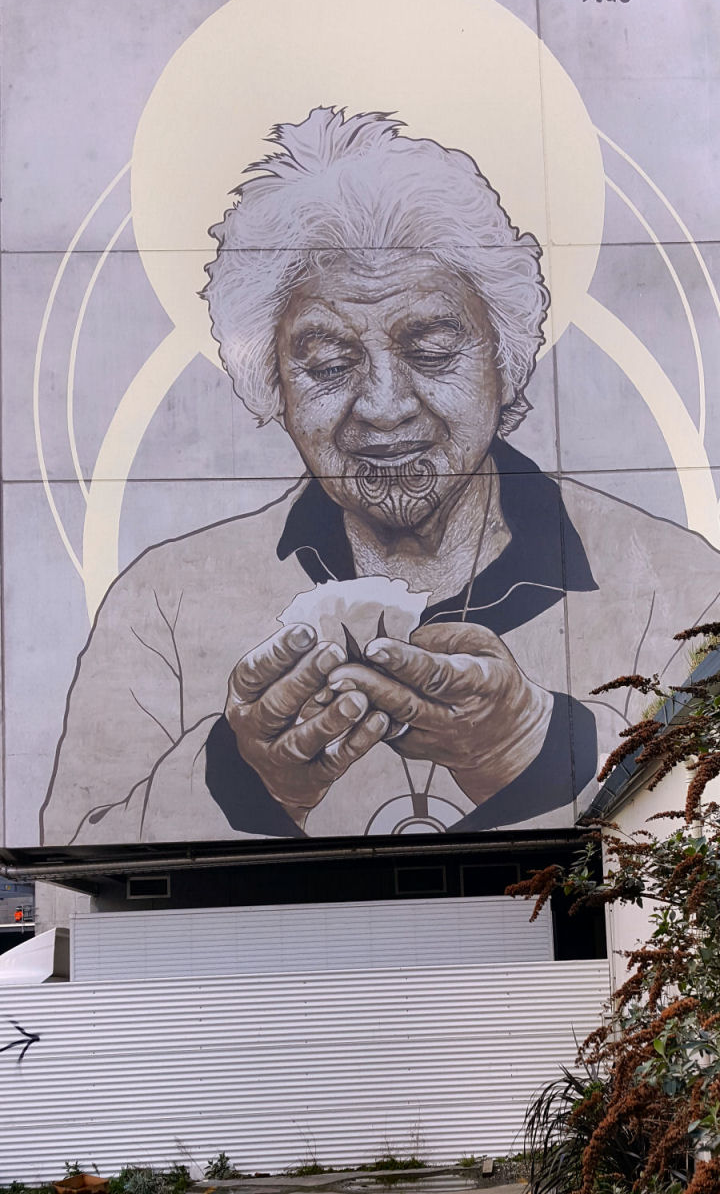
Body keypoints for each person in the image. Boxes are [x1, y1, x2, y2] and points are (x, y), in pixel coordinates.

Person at [40, 108, 720, 845]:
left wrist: (539, 750)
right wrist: (244, 782)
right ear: (275, 386)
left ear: (506, 358)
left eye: (430, 349)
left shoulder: (676, 587)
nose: (385, 407)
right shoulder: (163, 604)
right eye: (330, 366)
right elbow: (67, 901)